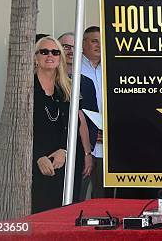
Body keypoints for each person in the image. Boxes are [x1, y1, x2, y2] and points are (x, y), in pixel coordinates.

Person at [57, 32, 98, 201]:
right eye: (66, 46)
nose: (70, 51)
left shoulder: (86, 83)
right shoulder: (48, 81)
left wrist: (87, 154)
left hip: (80, 155)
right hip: (53, 154)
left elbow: (91, 121)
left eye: (75, 47)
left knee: (76, 202)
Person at [32, 36, 70, 213]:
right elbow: (20, 130)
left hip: (61, 161)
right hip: (33, 162)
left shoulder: (66, 87)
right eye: (44, 51)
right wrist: (38, 156)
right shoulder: (27, 87)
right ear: (35, 57)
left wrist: (64, 150)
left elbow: (72, 125)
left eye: (55, 52)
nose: (50, 55)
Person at [80, 26, 110, 198]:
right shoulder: (74, 70)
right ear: (84, 44)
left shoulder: (110, 69)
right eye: (94, 41)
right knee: (80, 195)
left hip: (107, 147)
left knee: (103, 198)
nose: (99, 45)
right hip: (85, 145)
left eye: (101, 41)